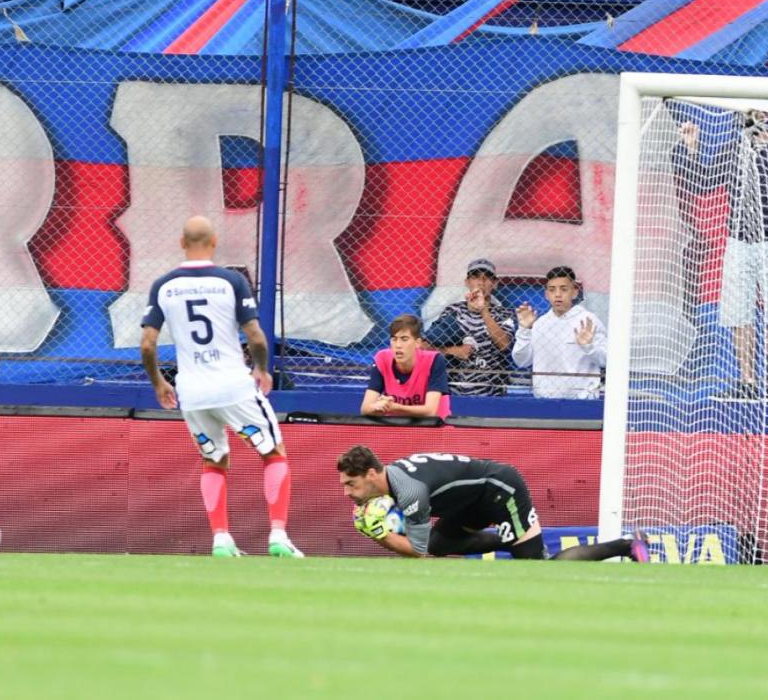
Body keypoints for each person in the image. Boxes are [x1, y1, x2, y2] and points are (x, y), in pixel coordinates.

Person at [140, 215, 303, 558]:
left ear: (181, 244)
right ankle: (277, 535)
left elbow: (147, 344)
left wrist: (159, 382)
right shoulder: (231, 281)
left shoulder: (164, 286)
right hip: (233, 386)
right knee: (273, 453)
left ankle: (221, 539)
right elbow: (255, 334)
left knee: (213, 462)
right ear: (214, 242)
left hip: (193, 393)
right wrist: (261, 368)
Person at [674, 110, 768, 403]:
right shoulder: (732, 148)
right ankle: (747, 381)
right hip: (739, 241)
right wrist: (691, 147)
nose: (752, 115)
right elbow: (704, 182)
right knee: (739, 313)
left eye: (757, 109)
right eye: (746, 110)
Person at [337, 444, 648, 561]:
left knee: (539, 567)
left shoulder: (409, 490)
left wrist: (381, 535)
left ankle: (626, 546)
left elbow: (416, 552)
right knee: (441, 541)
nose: (348, 492)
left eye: (351, 484)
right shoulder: (393, 477)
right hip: (472, 499)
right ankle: (511, 541)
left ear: (371, 474)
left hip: (500, 489)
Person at [422, 258, 516, 396]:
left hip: (492, 394)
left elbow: (504, 345)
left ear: (494, 283)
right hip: (454, 393)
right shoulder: (453, 311)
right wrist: (453, 350)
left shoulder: (504, 313)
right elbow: (424, 346)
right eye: (475, 277)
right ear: (467, 282)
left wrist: (483, 310)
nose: (481, 282)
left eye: (487, 278)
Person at [512, 266, 606, 399]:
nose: (557, 294)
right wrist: (524, 330)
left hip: (582, 402)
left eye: (564, 289)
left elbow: (606, 360)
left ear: (574, 292)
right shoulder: (539, 324)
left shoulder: (588, 321)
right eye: (552, 290)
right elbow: (521, 361)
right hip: (543, 402)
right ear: (546, 294)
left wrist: (589, 347)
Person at [361, 314, 450, 418]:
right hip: (398, 428)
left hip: (435, 428)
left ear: (417, 343)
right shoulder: (382, 358)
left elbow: (430, 411)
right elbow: (365, 409)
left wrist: (394, 408)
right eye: (394, 339)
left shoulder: (435, 360)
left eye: (404, 339)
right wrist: (379, 406)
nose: (398, 345)